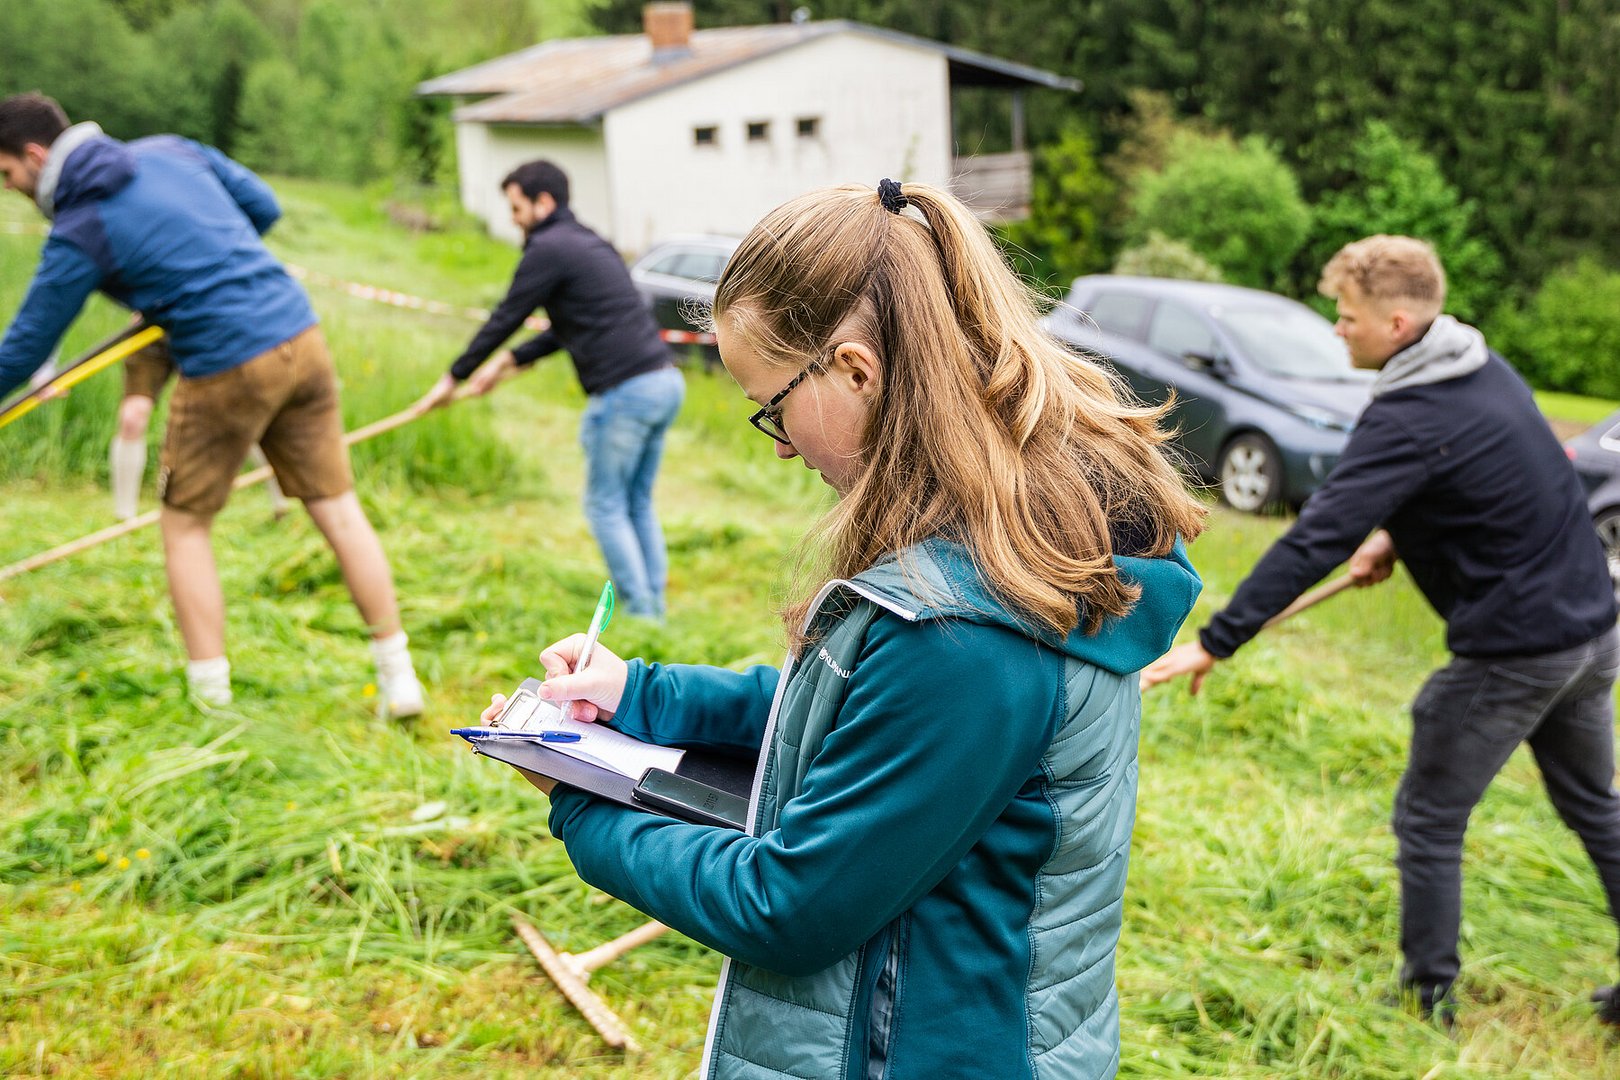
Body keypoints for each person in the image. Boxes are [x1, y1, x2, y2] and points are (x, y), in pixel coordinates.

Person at [478, 181, 1206, 1078]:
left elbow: (786, 909)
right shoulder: (1008, 538)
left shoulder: (967, 635)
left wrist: (581, 805)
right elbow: (864, 708)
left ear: (857, 371)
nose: (780, 445)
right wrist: (641, 694)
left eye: (773, 406)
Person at [1141, 235, 1620, 1022]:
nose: (1337, 328)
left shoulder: (1408, 415)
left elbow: (1315, 538)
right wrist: (1396, 535)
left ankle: (1426, 1000)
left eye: (1347, 315)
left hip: (1519, 652)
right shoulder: (1480, 367)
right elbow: (1484, 478)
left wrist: (1218, 640)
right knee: (1595, 807)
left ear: (1397, 323)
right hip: (1594, 636)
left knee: (1429, 817)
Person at [0, 92, 422, 716]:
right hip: (299, 334)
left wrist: (190, 286)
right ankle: (400, 679)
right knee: (337, 509)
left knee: (185, 525)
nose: (9, 188)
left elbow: (25, 346)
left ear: (36, 155)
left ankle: (211, 704)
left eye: (7, 173)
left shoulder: (80, 227)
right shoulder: (171, 150)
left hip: (227, 363)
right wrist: (205, 263)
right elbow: (264, 206)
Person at [415, 160, 682, 620]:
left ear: (543, 202)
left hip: (626, 393)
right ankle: (654, 605)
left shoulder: (548, 248)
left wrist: (453, 376)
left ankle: (643, 615)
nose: (513, 219)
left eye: (516, 208)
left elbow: (508, 315)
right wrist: (508, 362)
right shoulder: (588, 242)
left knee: (605, 505)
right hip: (664, 382)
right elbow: (569, 326)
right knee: (635, 501)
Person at [109, 334, 287, 521]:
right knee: (132, 417)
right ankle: (124, 517)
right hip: (153, 332)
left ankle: (280, 500)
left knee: (237, 417)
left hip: (204, 331)